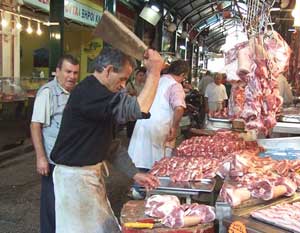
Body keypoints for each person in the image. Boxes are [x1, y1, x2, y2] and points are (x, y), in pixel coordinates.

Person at [50, 47, 164, 233]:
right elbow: (139, 109)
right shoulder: (90, 92)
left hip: (87, 177)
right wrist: (155, 71)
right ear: (109, 70)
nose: (123, 85)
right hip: (74, 179)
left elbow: (109, 144)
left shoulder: (103, 96)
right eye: (122, 79)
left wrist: (134, 173)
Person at [30, 55, 79, 233]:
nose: (71, 76)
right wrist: (41, 158)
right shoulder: (48, 92)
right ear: (57, 72)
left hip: (70, 161)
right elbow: (35, 125)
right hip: (52, 162)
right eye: (67, 71)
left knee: (66, 206)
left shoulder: (75, 92)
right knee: (51, 206)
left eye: (75, 73)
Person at [128, 59, 189, 171]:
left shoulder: (157, 80)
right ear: (182, 74)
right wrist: (174, 128)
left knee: (141, 159)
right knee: (156, 167)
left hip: (143, 123)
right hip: (159, 127)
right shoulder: (175, 85)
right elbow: (179, 108)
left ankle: (137, 187)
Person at [126, 66, 147, 138]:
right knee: (131, 129)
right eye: (140, 75)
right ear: (136, 76)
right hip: (132, 109)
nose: (142, 77)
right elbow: (123, 95)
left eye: (143, 75)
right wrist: (130, 94)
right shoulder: (130, 84)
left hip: (141, 109)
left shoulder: (145, 85)